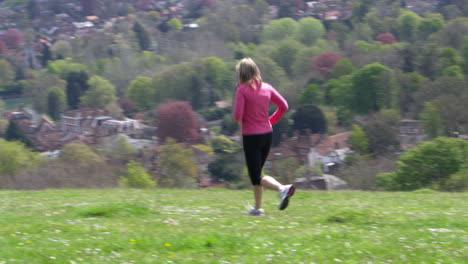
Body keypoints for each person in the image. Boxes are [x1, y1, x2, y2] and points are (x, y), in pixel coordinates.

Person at [233, 57, 295, 216]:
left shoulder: (242, 90)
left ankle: (282, 189)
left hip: (251, 136)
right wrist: (270, 121)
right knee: (257, 172)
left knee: (255, 175)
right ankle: (257, 208)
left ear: (241, 74)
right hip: (267, 134)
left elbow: (237, 116)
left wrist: (240, 92)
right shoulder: (267, 87)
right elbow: (284, 106)